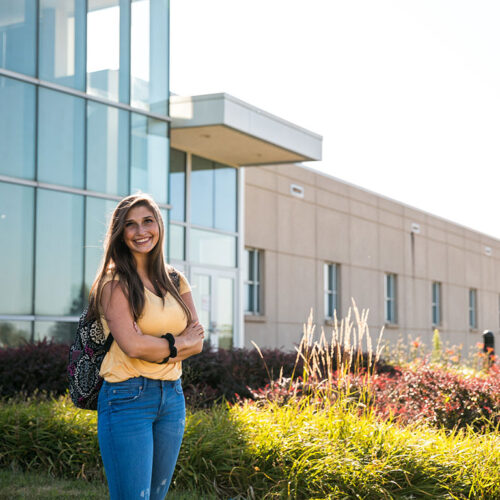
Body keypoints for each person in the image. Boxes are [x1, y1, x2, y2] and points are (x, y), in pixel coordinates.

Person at [86, 193, 204, 500]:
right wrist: (178, 344)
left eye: (148, 221)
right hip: (127, 396)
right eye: (131, 225)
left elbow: (199, 340)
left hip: (172, 397)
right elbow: (133, 346)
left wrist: (157, 345)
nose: (141, 231)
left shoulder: (176, 280)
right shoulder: (115, 283)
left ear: (159, 226)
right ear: (120, 233)